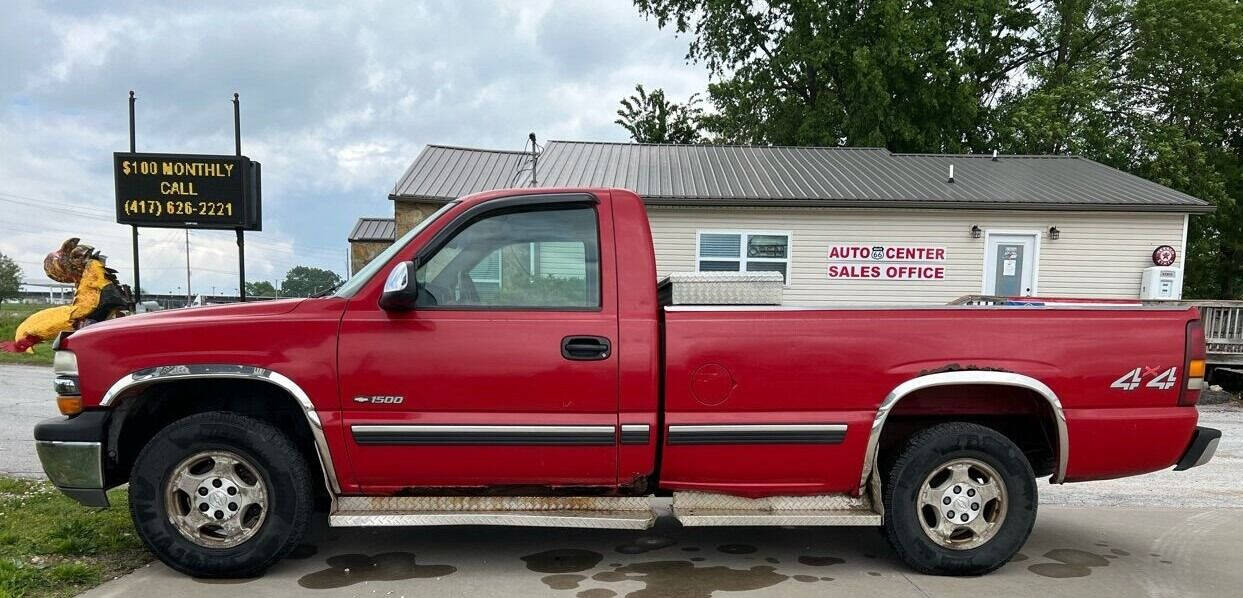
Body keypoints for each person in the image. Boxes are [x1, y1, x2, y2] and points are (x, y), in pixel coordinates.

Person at [2, 238, 134, 353]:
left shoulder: (92, 276)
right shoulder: (90, 278)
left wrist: (26, 341)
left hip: (94, 325)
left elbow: (76, 315)